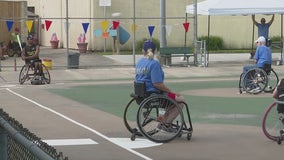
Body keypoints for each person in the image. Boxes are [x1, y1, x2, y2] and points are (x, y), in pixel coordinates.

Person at [135, 39, 185, 132]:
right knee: (181, 100)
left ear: (143, 51)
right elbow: (157, 84)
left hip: (142, 96)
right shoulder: (154, 64)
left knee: (172, 101)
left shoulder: (139, 63)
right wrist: (171, 92)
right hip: (155, 95)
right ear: (155, 51)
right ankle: (166, 125)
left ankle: (163, 122)